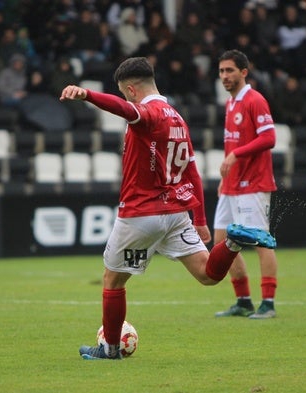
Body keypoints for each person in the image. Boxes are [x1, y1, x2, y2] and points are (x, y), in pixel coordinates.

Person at [59, 56, 276, 360]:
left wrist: (88, 95)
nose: (125, 99)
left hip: (141, 213)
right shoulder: (176, 117)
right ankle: (231, 242)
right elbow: (192, 170)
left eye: (125, 93)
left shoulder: (148, 113)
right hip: (175, 213)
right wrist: (199, 218)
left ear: (132, 90)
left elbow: (125, 110)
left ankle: (109, 348)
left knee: (113, 279)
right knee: (208, 275)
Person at [214, 50, 279, 319]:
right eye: (221, 71)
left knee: (260, 242)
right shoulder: (230, 103)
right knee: (221, 242)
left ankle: (268, 303)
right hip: (231, 186)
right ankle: (243, 300)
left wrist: (236, 155)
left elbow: (270, 138)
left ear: (244, 72)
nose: (225, 76)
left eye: (230, 70)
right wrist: (224, 179)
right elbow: (234, 143)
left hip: (253, 183)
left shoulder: (254, 100)